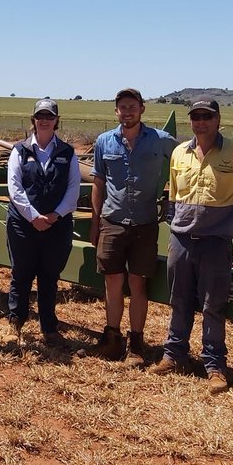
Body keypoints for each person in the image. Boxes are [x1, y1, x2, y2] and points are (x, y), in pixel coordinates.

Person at [149, 99, 233, 393]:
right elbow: (172, 192)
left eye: (207, 116)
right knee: (179, 300)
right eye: (196, 117)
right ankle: (174, 355)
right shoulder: (180, 153)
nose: (201, 122)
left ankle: (214, 366)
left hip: (215, 243)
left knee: (212, 305)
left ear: (218, 119)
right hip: (181, 240)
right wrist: (173, 219)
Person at [89, 87, 177, 366]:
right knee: (113, 282)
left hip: (145, 223)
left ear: (142, 109)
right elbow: (98, 183)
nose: (127, 112)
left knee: (138, 284)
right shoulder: (104, 141)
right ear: (116, 111)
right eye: (122, 107)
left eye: (132, 106)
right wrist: (96, 222)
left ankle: (136, 345)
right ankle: (112, 340)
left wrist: (170, 201)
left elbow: (184, 167)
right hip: (112, 221)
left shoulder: (161, 141)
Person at [5, 98, 81, 350]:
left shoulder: (67, 153)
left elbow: (73, 189)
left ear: (57, 121)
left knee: (49, 276)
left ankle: (49, 328)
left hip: (56, 225)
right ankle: (15, 323)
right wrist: (33, 217)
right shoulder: (20, 150)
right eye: (40, 116)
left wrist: (54, 215)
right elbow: (14, 188)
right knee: (21, 273)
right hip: (23, 224)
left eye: (49, 116)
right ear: (33, 120)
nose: (45, 120)